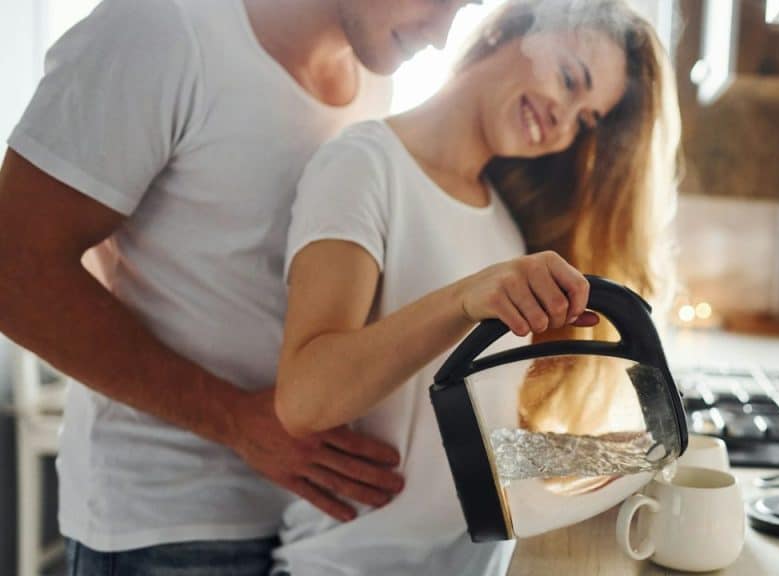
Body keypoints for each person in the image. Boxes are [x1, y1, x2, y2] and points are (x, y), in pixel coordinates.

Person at [0, 0, 477, 573]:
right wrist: (236, 422)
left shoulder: (374, 81)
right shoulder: (162, 30)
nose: (443, 36)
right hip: (167, 527)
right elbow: (14, 274)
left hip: (308, 524)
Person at [271, 0, 680, 573]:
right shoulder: (364, 166)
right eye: (569, 80)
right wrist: (464, 298)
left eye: (585, 118)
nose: (564, 119)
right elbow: (303, 399)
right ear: (509, 31)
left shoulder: (505, 227)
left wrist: (622, 454)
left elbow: (472, 449)